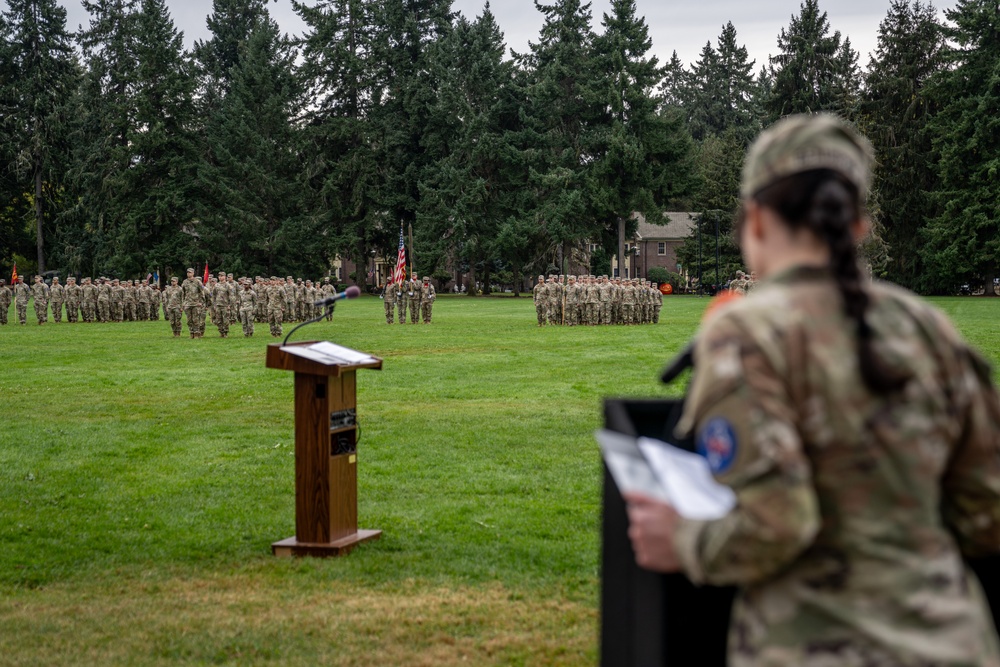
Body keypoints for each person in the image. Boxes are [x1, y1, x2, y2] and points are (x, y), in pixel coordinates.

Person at [623, 114, 1000, 666]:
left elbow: (778, 523)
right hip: (953, 644)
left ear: (754, 220)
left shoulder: (747, 332)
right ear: (859, 226)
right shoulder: (926, 328)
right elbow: (986, 510)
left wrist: (683, 539)